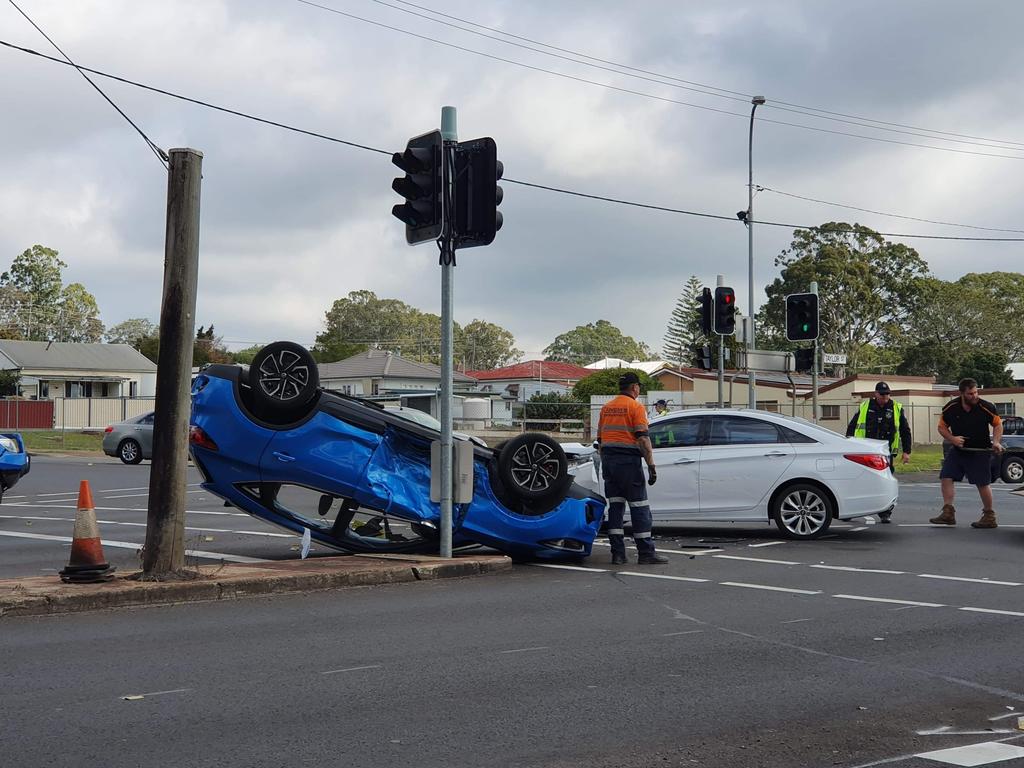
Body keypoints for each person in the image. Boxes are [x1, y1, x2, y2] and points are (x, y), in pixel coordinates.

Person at [596, 372, 668, 564]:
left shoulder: (607, 408)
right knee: (639, 507)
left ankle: (618, 554)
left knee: (616, 507)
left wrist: (607, 464)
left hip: (610, 462)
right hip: (629, 463)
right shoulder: (635, 406)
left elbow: (600, 440)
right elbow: (643, 438)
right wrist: (651, 465)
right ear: (635, 387)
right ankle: (646, 553)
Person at [929, 378, 1004, 528]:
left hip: (980, 451)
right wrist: (952, 439)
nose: (974, 396)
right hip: (959, 450)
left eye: (976, 392)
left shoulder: (986, 407)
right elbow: (942, 427)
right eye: (970, 393)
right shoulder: (951, 407)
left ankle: (989, 516)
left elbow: (997, 424)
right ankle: (948, 513)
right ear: (962, 393)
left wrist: (996, 442)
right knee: (946, 476)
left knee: (982, 483)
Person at [845, 381, 912, 523]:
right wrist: (848, 445)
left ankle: (885, 512)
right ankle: (849, 510)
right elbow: (852, 426)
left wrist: (907, 451)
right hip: (865, 450)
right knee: (858, 480)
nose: (885, 397)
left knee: (885, 483)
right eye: (882, 394)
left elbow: (905, 431)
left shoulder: (896, 408)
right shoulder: (865, 406)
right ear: (876, 394)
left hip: (885, 452)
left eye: (887, 394)